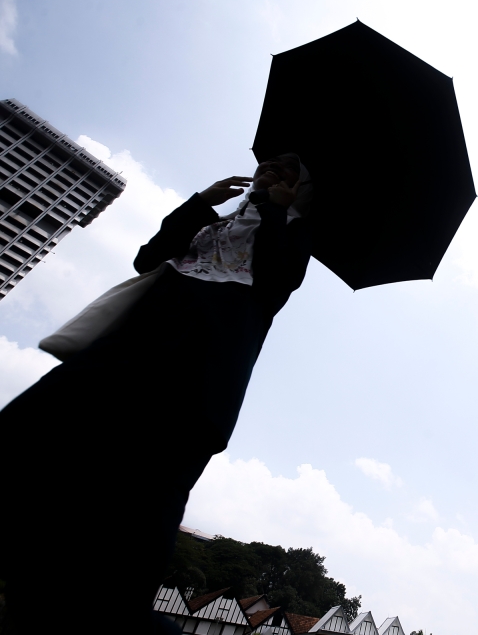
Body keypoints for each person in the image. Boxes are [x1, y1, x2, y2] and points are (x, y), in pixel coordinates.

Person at [0, 154, 313, 634]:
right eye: (269, 164)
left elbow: (276, 277)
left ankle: (114, 616)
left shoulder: (291, 232)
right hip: (129, 346)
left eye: (288, 170)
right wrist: (201, 204)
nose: (272, 171)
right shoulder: (220, 222)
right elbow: (148, 258)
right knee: (29, 434)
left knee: (145, 501)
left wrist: (276, 209)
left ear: (301, 188)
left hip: (199, 371)